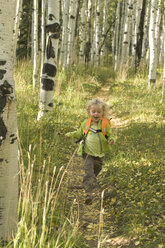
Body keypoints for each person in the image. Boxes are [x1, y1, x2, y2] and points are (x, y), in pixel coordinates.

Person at [65, 98, 116, 204]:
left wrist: (111, 140)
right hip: (87, 153)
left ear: (103, 113)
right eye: (93, 112)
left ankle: (89, 183)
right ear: (89, 112)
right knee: (89, 173)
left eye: (98, 112)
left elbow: (110, 135)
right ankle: (89, 194)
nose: (96, 114)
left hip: (99, 154)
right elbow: (79, 133)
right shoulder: (86, 123)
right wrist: (70, 135)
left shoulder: (104, 124)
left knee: (96, 170)